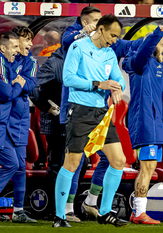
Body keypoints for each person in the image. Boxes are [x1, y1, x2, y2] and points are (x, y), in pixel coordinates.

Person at [54, 14, 128, 228]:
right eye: (112, 35)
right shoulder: (78, 47)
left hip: (101, 115)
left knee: (119, 160)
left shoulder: (109, 54)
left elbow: (119, 80)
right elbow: (68, 78)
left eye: (117, 37)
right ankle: (60, 216)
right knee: (72, 163)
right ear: (102, 29)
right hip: (79, 112)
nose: (114, 40)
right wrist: (98, 84)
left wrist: (116, 88)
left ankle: (104, 212)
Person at [0, 26, 38, 223]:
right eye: (26, 40)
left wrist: (19, 83)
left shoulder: (31, 62)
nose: (30, 44)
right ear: (14, 42)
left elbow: (30, 84)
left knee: (17, 164)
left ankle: (16, 209)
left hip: (15, 121)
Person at [123, 25, 163, 224]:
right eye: (161, 45)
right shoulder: (140, 63)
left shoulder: (158, 63)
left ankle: (139, 211)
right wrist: (156, 34)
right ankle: (139, 212)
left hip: (155, 123)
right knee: (146, 167)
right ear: (152, 45)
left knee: (151, 166)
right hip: (144, 122)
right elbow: (148, 48)